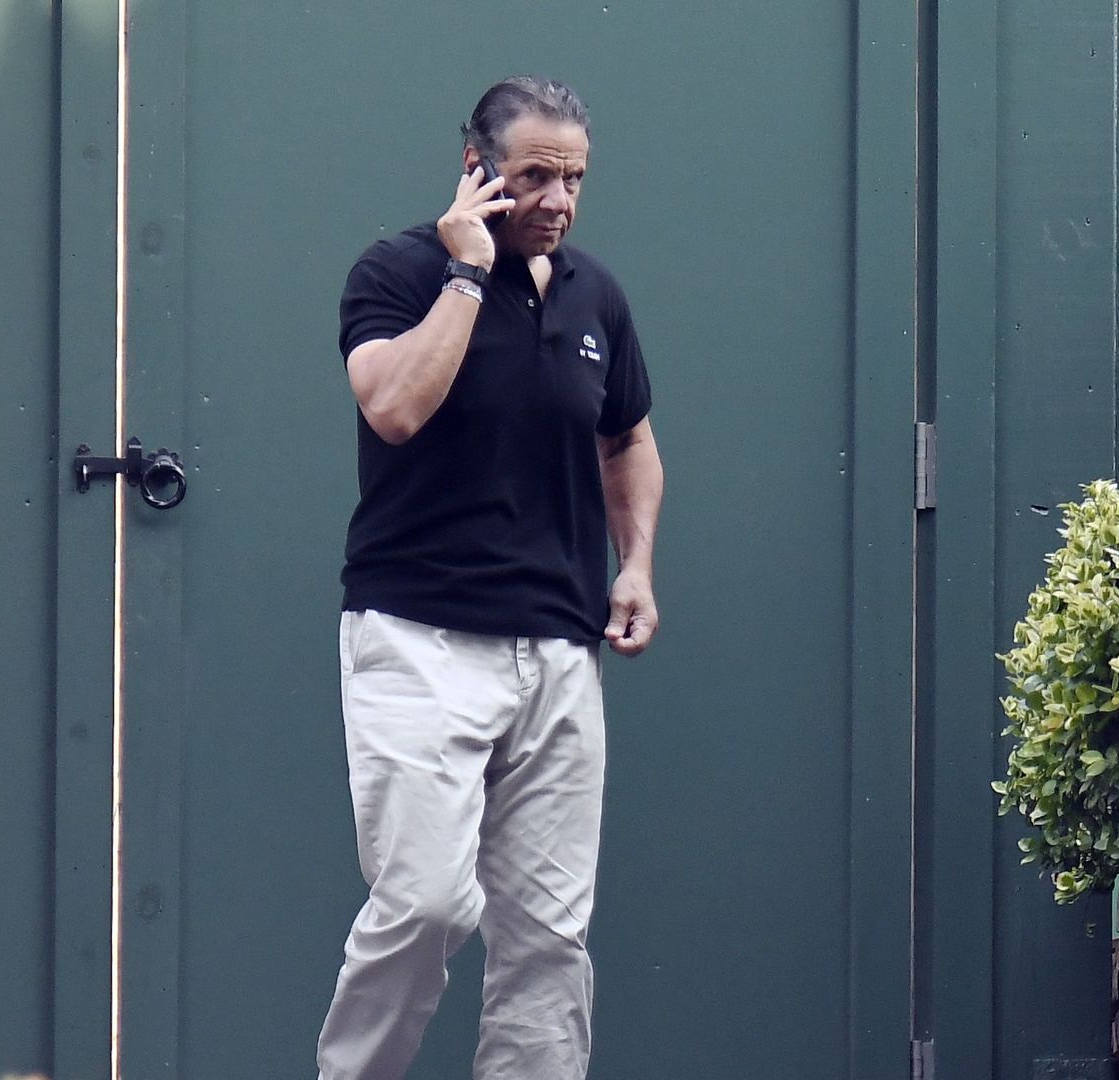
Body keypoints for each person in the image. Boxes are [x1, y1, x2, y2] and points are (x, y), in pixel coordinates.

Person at [316, 76, 664, 1080]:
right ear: (476, 167)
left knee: (549, 939)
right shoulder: (397, 271)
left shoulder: (596, 295)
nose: (558, 200)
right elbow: (392, 407)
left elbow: (628, 440)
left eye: (574, 179)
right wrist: (466, 275)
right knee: (426, 904)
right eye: (536, 177)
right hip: (417, 637)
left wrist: (636, 564)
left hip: (558, 652)